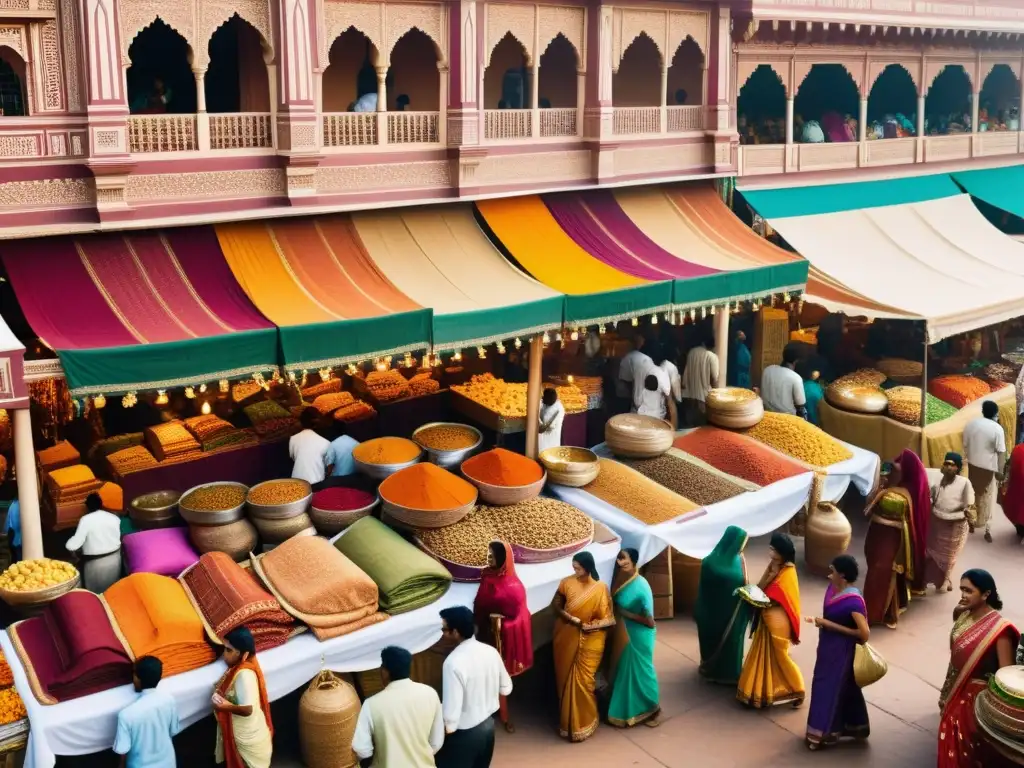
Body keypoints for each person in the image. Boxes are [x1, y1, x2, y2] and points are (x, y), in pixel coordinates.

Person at [937, 570, 1020, 768]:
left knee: (954, 729)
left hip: (978, 689)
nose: (963, 595)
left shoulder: (1000, 632)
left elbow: (1005, 676)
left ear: (985, 594)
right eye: (962, 589)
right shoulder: (964, 613)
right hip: (955, 681)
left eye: (969, 591)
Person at [804, 555, 870, 750]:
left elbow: (864, 634)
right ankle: (855, 725)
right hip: (826, 647)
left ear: (842, 575)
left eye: (832, 570)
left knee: (826, 688)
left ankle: (818, 734)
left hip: (841, 652)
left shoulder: (854, 601)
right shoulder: (832, 588)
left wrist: (828, 625)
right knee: (845, 687)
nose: (829, 573)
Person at [861, 450, 930, 628]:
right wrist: (882, 487)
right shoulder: (892, 487)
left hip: (892, 537)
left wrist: (883, 492)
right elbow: (869, 507)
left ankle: (878, 614)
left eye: (897, 467)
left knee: (883, 571)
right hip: (879, 535)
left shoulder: (901, 495)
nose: (893, 470)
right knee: (877, 570)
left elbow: (883, 508)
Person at [550, 551, 614, 742]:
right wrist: (571, 619)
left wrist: (588, 626)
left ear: (587, 567)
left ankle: (586, 721)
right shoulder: (566, 583)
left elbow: (609, 619)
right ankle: (568, 725)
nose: (575, 571)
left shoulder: (601, 588)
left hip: (592, 638)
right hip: (566, 635)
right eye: (573, 567)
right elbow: (556, 605)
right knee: (564, 680)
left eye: (578, 568)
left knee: (584, 682)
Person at [436, 605, 511, 768]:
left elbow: (451, 718)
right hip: (489, 730)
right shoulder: (491, 651)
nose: (442, 634)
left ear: (455, 632)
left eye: (444, 629)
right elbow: (506, 687)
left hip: (464, 736)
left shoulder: (452, 663)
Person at [737, 532, 805, 709]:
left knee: (780, 657)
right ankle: (756, 693)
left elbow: (776, 596)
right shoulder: (774, 565)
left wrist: (756, 596)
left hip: (777, 621)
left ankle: (798, 689)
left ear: (782, 552)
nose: (770, 551)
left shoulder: (788, 571)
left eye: (773, 549)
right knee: (761, 655)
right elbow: (762, 588)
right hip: (766, 616)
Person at [472, 541, 532, 734]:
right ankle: (485, 711)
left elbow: (521, 615)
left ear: (503, 560)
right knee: (484, 675)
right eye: (488, 554)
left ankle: (504, 715)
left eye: (493, 555)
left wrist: (503, 625)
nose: (489, 558)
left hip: (502, 639)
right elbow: (481, 602)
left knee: (499, 677)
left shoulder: (513, 586)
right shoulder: (487, 576)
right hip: (485, 633)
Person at [352, 645, 444, 768]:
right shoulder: (430, 694)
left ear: (384, 671)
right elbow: (436, 742)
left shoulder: (371, 704)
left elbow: (361, 749)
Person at [606, 548, 660, 728]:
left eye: (625, 559)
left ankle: (653, 707)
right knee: (627, 672)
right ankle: (631, 709)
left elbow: (650, 622)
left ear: (634, 562)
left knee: (643, 671)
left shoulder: (641, 586)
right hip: (625, 631)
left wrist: (626, 614)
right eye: (619, 558)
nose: (620, 562)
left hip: (640, 635)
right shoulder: (621, 577)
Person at [694, 525, 750, 685]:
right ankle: (714, 672)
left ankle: (731, 673)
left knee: (733, 644)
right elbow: (706, 591)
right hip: (714, 613)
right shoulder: (709, 564)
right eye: (741, 541)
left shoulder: (739, 560)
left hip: (735, 613)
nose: (742, 546)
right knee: (714, 642)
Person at [212, 627, 273, 768]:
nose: (224, 655)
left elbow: (248, 710)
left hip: (248, 739)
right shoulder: (238, 668)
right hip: (251, 733)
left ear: (243, 655)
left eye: (229, 650)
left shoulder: (244, 675)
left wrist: (224, 706)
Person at [113, 656, 179, 768]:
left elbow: (122, 750)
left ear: (137, 679)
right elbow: (173, 731)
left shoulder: (126, 715)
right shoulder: (170, 701)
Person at [924, 453, 975, 593]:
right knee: (932, 552)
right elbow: (931, 498)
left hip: (955, 524)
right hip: (937, 521)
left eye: (952, 465)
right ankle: (931, 578)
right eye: (946, 464)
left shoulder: (965, 483)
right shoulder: (938, 481)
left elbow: (969, 504)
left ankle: (946, 579)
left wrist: (970, 517)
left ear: (958, 468)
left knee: (949, 557)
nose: (948, 467)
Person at [962, 399, 1006, 543]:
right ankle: (988, 529)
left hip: (973, 465)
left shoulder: (970, 424)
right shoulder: (997, 429)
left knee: (973, 494)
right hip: (989, 468)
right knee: (990, 500)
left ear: (983, 412)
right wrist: (1001, 472)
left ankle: (972, 523)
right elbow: (1001, 453)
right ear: (995, 413)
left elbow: (965, 445)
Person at [66, 492, 122, 593]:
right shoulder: (114, 518)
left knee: (95, 594)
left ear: (87, 507)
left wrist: (69, 545)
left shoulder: (85, 520)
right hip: (115, 559)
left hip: (95, 564)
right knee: (113, 591)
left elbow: (74, 544)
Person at [680, 329, 719, 427]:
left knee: (690, 431)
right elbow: (714, 380)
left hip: (689, 400)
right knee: (702, 432)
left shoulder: (692, 352)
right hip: (703, 401)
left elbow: (684, 379)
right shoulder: (712, 356)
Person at [760, 347, 807, 417]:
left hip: (766, 414)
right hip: (787, 419)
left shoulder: (767, 369)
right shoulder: (796, 377)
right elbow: (801, 403)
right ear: (796, 361)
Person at [289, 407, 331, 485]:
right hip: (318, 483)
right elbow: (329, 468)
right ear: (316, 422)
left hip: (296, 482)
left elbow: (294, 458)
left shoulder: (293, 439)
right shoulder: (326, 442)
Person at [617, 334, 652, 412]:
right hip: (644, 400)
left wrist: (633, 394)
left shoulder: (626, 358)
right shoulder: (648, 359)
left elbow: (625, 381)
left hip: (630, 399)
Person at [1000, 441, 1024, 541]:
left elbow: (1008, 468)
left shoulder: (1017, 449)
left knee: (1017, 509)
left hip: (1016, 489)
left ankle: (1020, 531)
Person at [537, 387, 565, 454]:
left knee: (548, 456)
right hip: (543, 441)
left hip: (549, 442)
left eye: (544, 397)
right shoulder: (547, 403)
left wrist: (536, 418)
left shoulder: (557, 409)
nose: (542, 398)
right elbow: (541, 404)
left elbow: (543, 429)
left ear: (549, 399)